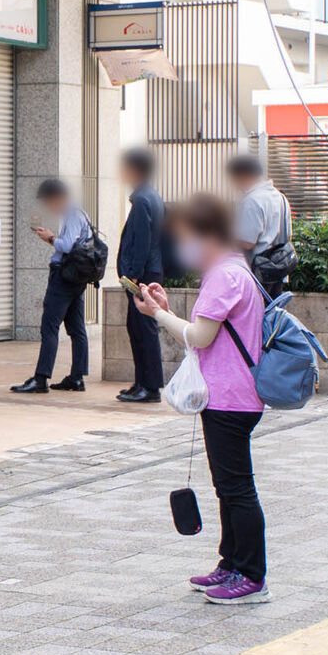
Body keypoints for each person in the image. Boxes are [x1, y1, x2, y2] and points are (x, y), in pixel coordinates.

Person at [131, 194, 271, 604]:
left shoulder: (224, 276)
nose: (184, 248)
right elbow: (204, 335)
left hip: (229, 398)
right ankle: (231, 564)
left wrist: (155, 315)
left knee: (237, 489)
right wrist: (164, 309)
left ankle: (251, 575)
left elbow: (198, 337)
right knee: (227, 488)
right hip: (232, 395)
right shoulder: (234, 270)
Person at [12, 178, 91, 394]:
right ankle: (76, 377)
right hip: (76, 278)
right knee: (76, 328)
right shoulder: (80, 213)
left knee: (49, 326)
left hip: (64, 278)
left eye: (48, 201)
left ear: (56, 198)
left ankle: (40, 378)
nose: (48, 206)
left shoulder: (74, 214)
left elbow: (66, 245)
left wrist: (50, 237)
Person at [116, 148, 166, 404]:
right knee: (137, 328)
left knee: (144, 328)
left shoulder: (143, 200)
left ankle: (151, 386)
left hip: (142, 275)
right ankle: (141, 383)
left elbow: (141, 242)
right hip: (147, 271)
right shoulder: (149, 196)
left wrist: (132, 275)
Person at [226, 153, 294, 297]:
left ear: (243, 175)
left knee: (254, 316)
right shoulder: (280, 197)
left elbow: (247, 242)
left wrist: (225, 237)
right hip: (278, 270)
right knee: (271, 315)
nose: (235, 186)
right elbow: (289, 236)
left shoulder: (251, 201)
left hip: (257, 273)